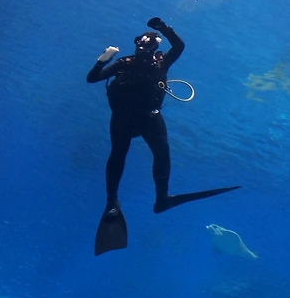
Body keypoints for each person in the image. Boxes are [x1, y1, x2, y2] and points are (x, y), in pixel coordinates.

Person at [87, 17, 240, 255]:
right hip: (125, 118)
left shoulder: (162, 61)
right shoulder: (124, 63)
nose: (143, 44)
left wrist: (164, 28)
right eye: (140, 41)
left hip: (147, 117)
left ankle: (161, 199)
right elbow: (92, 78)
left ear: (155, 46)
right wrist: (102, 61)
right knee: (120, 153)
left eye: (149, 41)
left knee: (160, 152)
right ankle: (112, 201)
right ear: (136, 44)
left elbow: (179, 46)